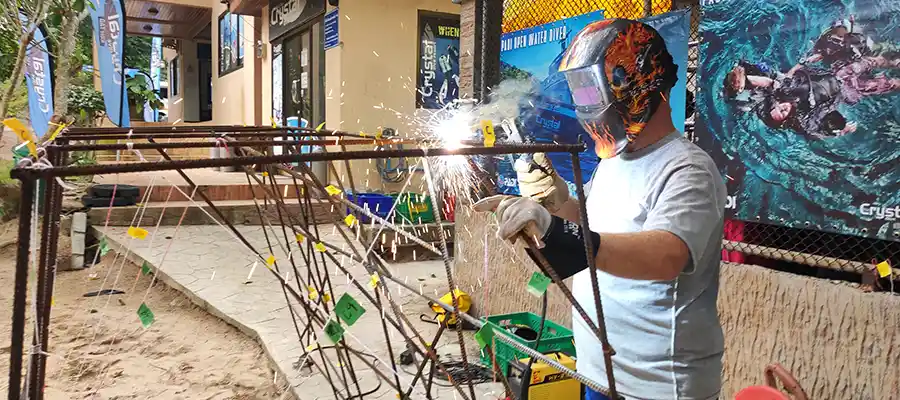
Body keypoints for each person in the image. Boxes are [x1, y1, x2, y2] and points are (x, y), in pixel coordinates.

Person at [474, 19, 726, 400]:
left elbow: (665, 255)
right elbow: (593, 224)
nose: (585, 104)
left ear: (634, 81)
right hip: (599, 372)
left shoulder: (688, 169)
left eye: (592, 89)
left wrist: (560, 234)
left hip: (659, 387)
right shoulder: (614, 161)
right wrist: (555, 203)